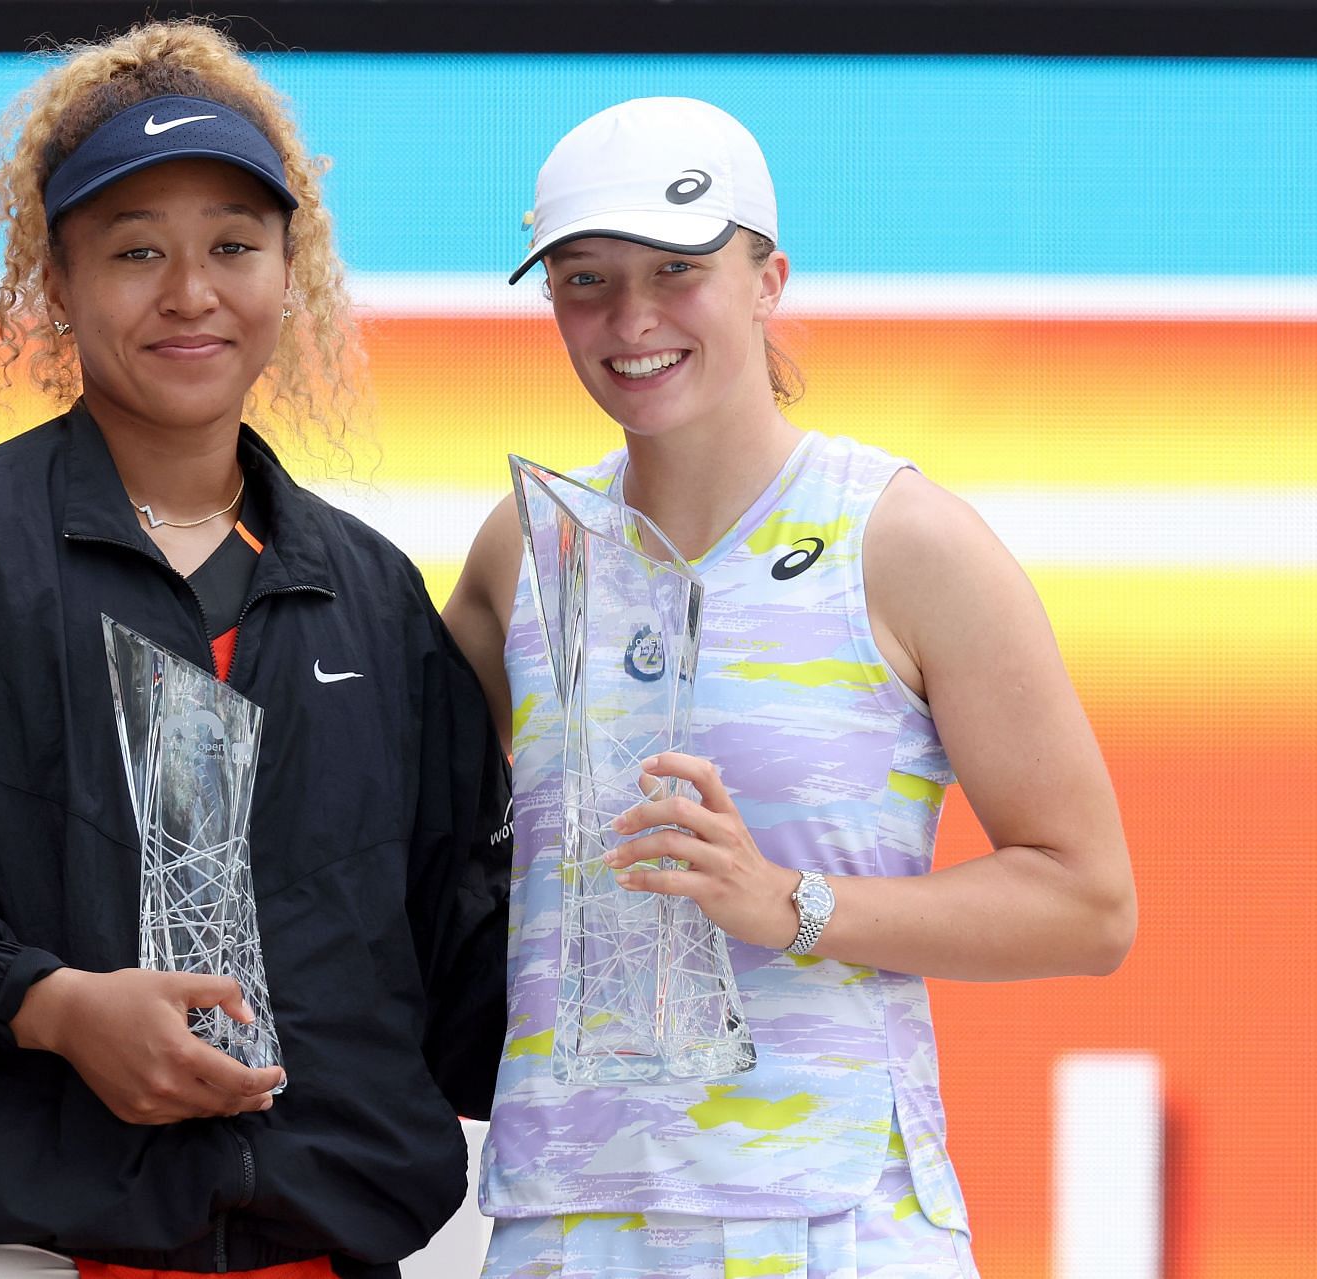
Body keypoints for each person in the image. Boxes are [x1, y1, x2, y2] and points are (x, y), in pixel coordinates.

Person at [0, 22, 509, 1279]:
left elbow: (465, 968)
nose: (192, 293)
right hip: (18, 1253)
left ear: (292, 275)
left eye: (233, 247)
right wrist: (44, 1003)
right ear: (57, 284)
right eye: (137, 252)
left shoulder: (371, 597)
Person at [441, 97, 1135, 1278]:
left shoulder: (906, 541)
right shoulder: (527, 545)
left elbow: (1089, 904)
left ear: (769, 279)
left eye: (678, 270)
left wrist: (792, 904)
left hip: (830, 1227)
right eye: (585, 279)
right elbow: (395, 836)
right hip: (561, 1225)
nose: (632, 319)